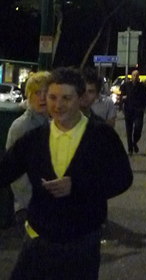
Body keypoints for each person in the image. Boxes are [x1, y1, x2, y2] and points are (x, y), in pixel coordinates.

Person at [0, 67, 132, 280]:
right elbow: (5, 170)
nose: (57, 105)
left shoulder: (101, 136)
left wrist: (77, 186)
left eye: (66, 98)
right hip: (38, 239)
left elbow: (123, 178)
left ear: (80, 99)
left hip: (81, 243)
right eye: (52, 97)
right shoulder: (34, 139)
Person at [5, 71, 52, 216]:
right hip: (30, 206)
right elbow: (17, 174)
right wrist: (31, 204)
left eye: (47, 92)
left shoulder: (51, 122)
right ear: (29, 95)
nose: (42, 98)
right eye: (38, 92)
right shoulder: (22, 126)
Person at [121, 70, 146, 154]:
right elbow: (121, 95)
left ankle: (134, 142)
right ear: (131, 76)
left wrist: (145, 107)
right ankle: (130, 148)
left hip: (138, 111)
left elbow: (145, 98)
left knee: (138, 128)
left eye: (137, 75)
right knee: (129, 130)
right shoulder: (126, 85)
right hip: (128, 110)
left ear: (139, 76)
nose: (135, 77)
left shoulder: (142, 86)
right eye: (134, 75)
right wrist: (123, 98)